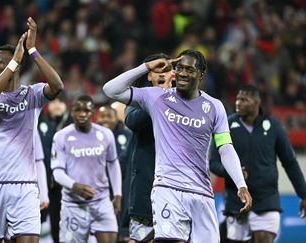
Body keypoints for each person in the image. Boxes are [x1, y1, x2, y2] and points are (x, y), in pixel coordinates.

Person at [103, 49, 252, 242]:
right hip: (168, 188)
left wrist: (241, 184)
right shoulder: (157, 97)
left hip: (202, 193)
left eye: (189, 69)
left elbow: (225, 147)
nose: (182, 73)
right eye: (179, 68)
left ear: (201, 74)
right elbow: (110, 89)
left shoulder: (214, 106)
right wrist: (145, 67)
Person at [0, 17, 64, 243]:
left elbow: (58, 86)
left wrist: (32, 50)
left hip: (25, 187)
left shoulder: (32, 94)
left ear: (17, 65)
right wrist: (12, 63)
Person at [209, 85, 306, 243]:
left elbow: (290, 162)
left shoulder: (274, 127)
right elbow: (213, 163)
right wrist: (232, 172)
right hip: (236, 200)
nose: (238, 103)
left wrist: (303, 194)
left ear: (256, 103)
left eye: (244, 100)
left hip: (266, 198)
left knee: (264, 238)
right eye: (238, 99)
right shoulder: (225, 125)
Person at [51, 95, 122, 243]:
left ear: (92, 113)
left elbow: (113, 164)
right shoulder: (61, 136)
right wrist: (74, 186)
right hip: (73, 204)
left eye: (87, 110)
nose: (82, 114)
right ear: (72, 112)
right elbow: (57, 172)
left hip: (101, 202)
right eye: (78, 110)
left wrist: (117, 194)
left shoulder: (105, 134)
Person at [123, 53, 175, 243]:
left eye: (167, 69)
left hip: (175, 190)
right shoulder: (138, 98)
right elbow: (133, 121)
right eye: (156, 69)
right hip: (145, 190)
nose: (161, 73)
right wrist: (160, 98)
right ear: (149, 76)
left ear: (174, 75)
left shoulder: (183, 101)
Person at [37, 92, 73, 243]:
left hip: (67, 183)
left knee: (64, 224)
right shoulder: (40, 123)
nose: (57, 105)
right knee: (38, 223)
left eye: (61, 101)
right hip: (45, 181)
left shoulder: (73, 124)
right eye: (53, 102)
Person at [96, 104, 131, 242]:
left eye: (109, 116)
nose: (105, 119)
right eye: (102, 116)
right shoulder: (91, 136)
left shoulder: (127, 135)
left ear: (117, 119)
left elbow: (127, 162)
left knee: (122, 233)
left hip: (123, 190)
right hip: (99, 191)